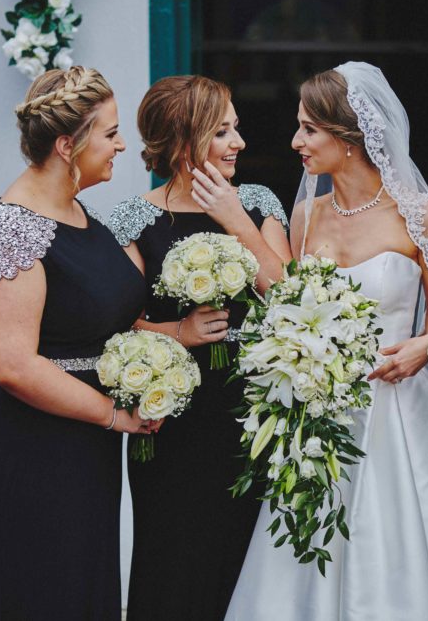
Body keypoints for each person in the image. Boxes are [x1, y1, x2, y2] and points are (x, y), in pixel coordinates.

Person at [225, 62, 428, 621]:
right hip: (318, 414)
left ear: (348, 139)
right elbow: (289, 305)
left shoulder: (418, 214)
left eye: (308, 129)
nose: (296, 141)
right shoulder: (305, 215)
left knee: (397, 549)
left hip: (398, 408)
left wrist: (425, 348)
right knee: (308, 543)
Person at [0, 66, 150, 619]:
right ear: (68, 145)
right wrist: (114, 415)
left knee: (80, 577)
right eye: (111, 133)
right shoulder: (11, 231)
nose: (121, 144)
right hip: (32, 437)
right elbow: (14, 365)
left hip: (84, 433)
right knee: (39, 581)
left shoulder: (76, 211)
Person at [108, 75, 291, 620]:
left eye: (235, 130)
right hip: (172, 416)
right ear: (184, 140)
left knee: (244, 555)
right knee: (172, 553)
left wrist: (236, 220)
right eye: (223, 132)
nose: (239, 143)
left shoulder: (257, 204)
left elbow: (291, 299)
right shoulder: (133, 220)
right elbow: (115, 328)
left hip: (254, 410)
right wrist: (179, 334)